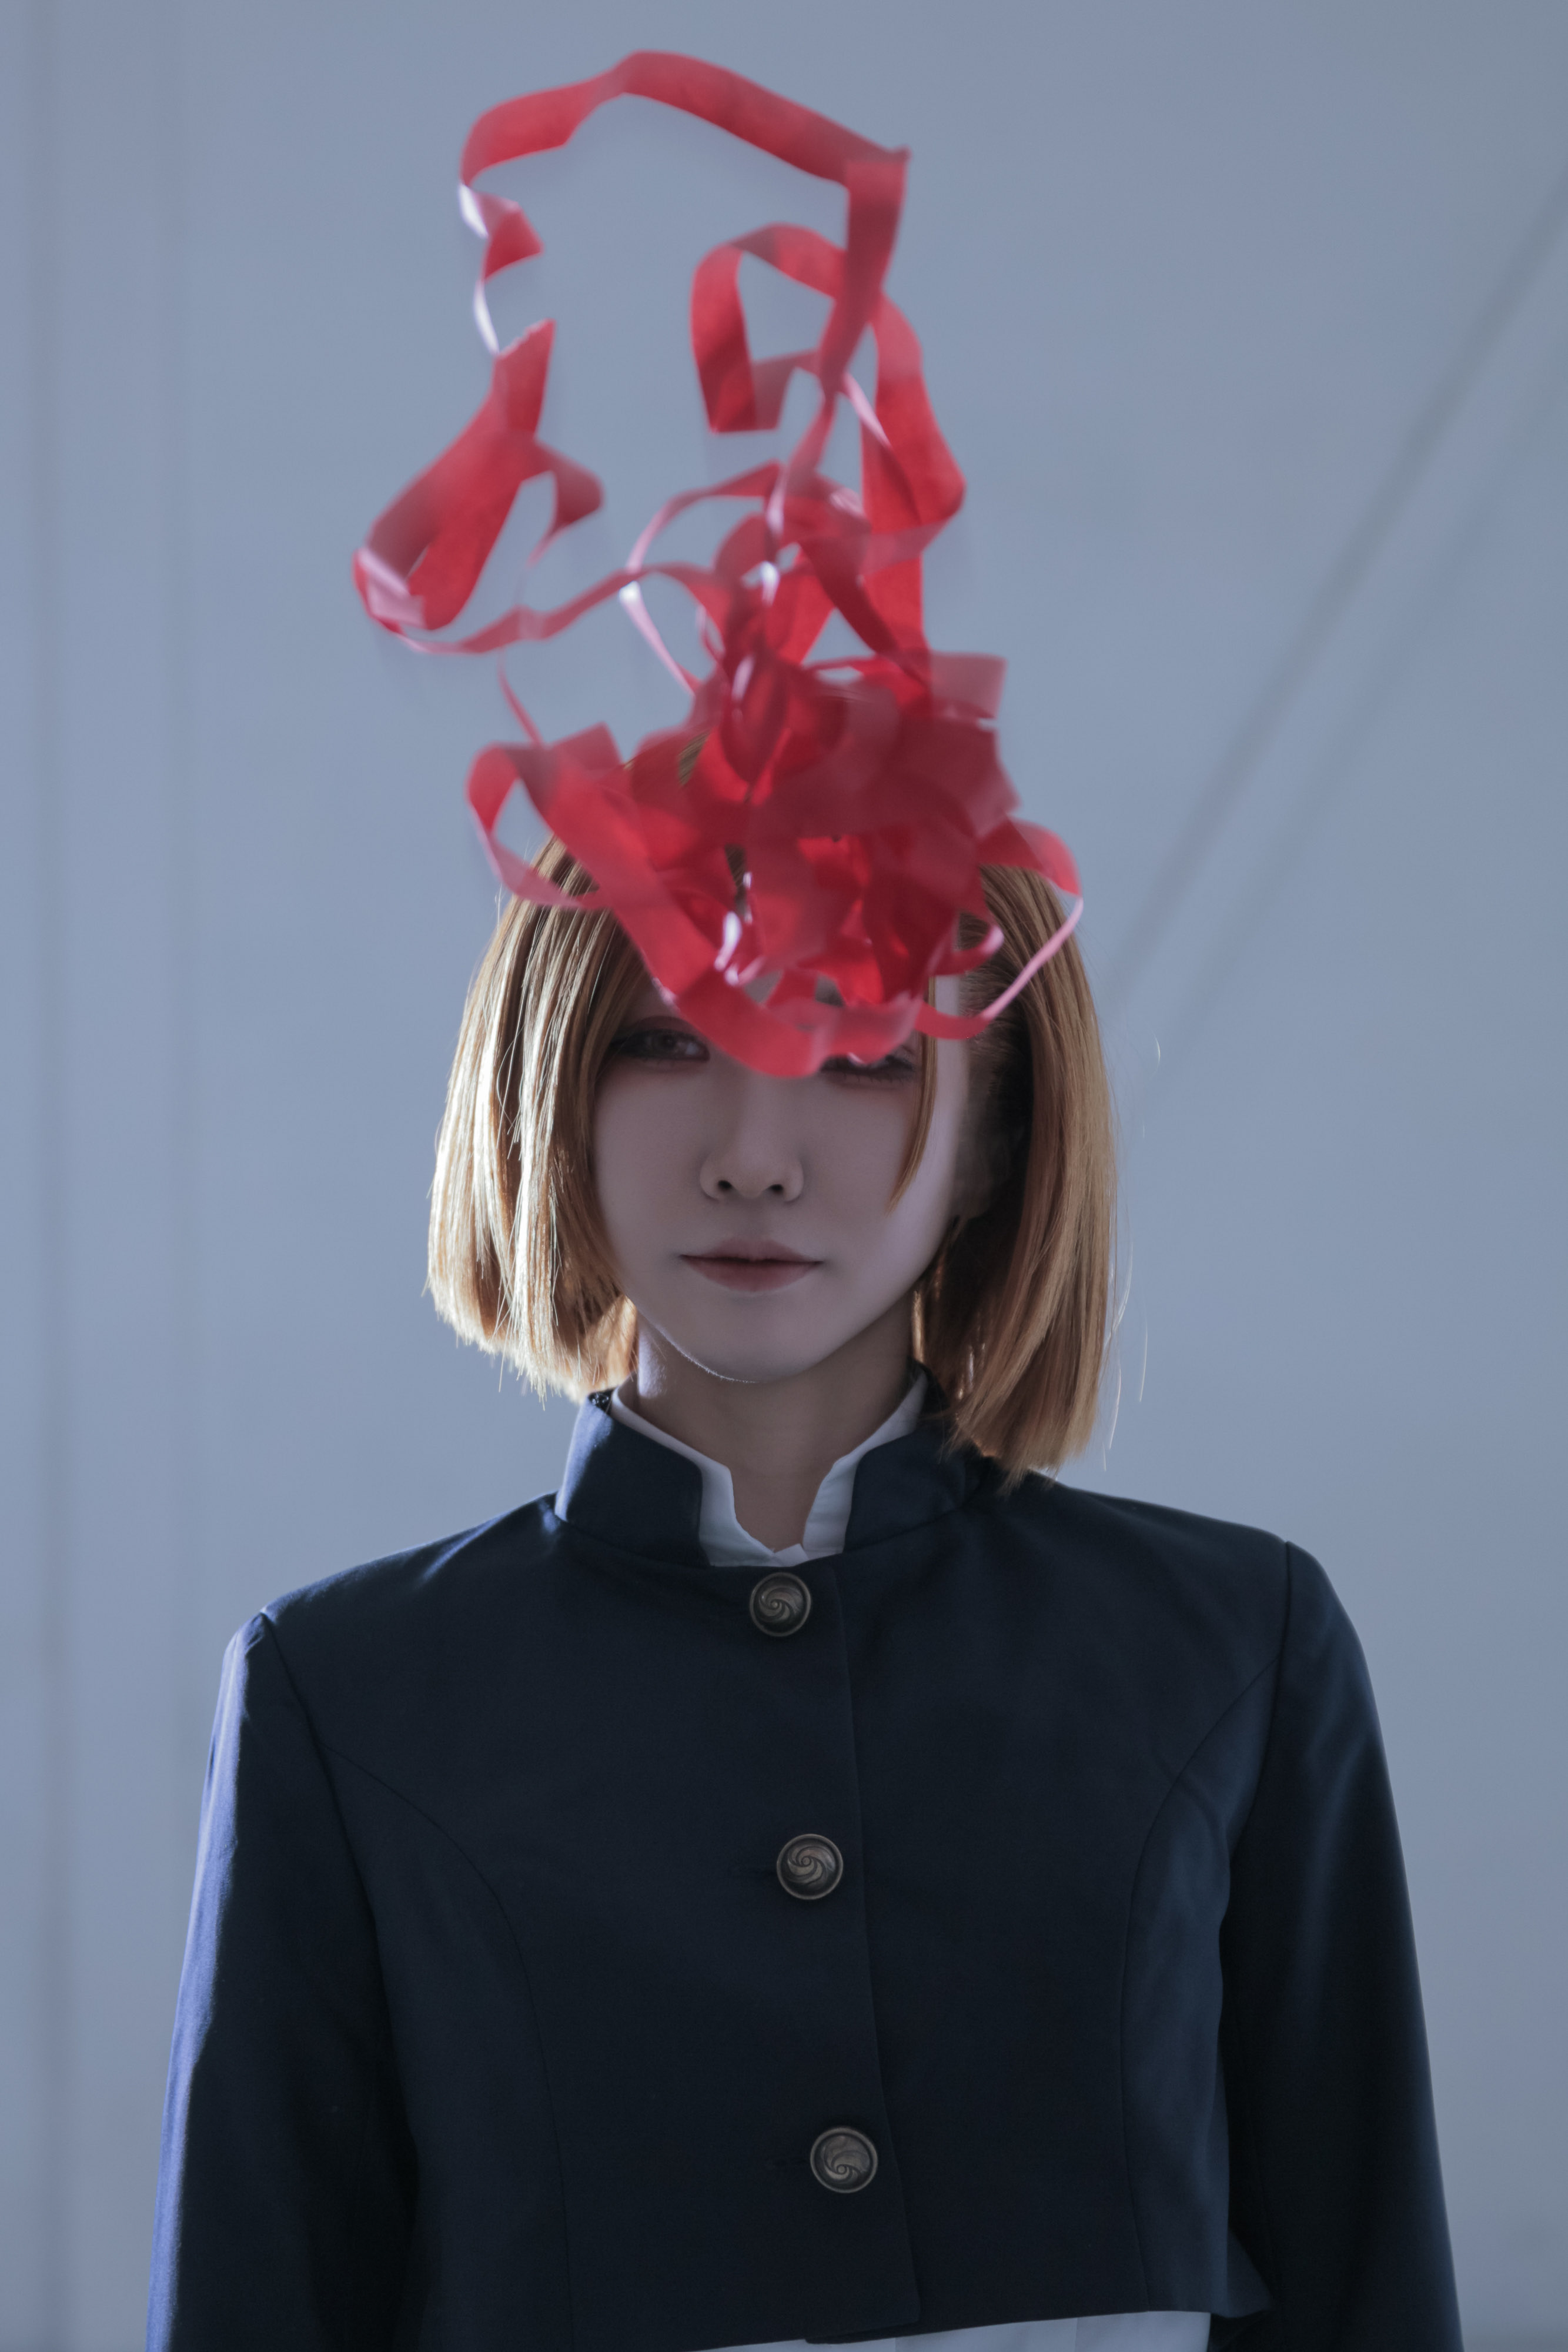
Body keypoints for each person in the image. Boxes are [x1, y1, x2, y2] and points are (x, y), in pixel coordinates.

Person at [147, 55, 1463, 2352]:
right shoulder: (350, 1700)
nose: (756, 1151)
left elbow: (1367, 2287)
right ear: (547, 1099)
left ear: (998, 1133)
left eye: (858, 1059)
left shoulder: (1230, 1652)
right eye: (665, 1040)